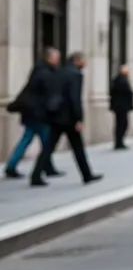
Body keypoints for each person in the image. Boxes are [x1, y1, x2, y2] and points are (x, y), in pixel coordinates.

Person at [30, 52, 101, 186]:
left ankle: (36, 175)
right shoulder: (76, 75)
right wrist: (79, 118)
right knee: (77, 147)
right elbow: (75, 98)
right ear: (77, 61)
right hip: (69, 118)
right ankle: (87, 175)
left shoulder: (59, 72)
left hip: (56, 115)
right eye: (83, 60)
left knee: (48, 147)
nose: (85, 63)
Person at [4, 49, 62, 179]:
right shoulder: (46, 73)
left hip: (31, 114)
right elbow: (48, 95)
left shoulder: (37, 71)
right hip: (40, 115)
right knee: (46, 142)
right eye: (56, 58)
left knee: (26, 140)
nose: (58, 60)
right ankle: (47, 167)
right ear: (49, 58)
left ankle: (12, 166)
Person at [109, 64, 133, 149]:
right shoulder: (120, 80)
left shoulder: (122, 79)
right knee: (121, 124)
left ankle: (119, 142)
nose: (128, 72)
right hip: (121, 106)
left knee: (122, 124)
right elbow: (125, 92)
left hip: (122, 106)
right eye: (126, 70)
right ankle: (118, 142)